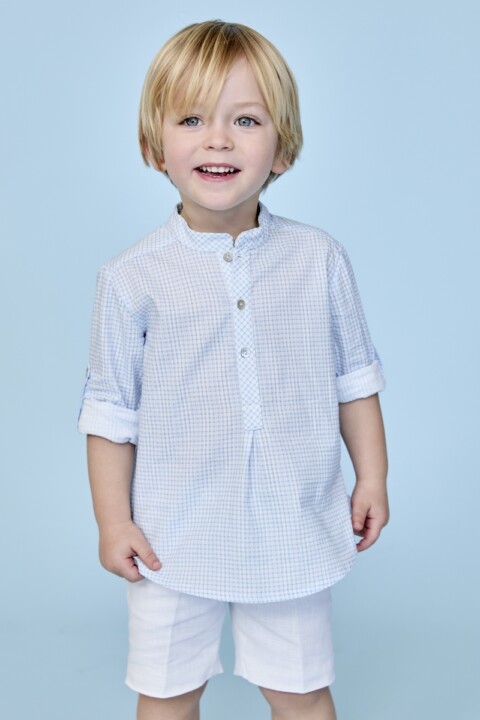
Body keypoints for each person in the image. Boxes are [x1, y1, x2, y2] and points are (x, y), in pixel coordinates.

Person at [78, 19, 389, 720]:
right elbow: (110, 413)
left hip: (292, 525)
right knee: (166, 695)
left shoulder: (319, 259)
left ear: (283, 147)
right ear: (153, 145)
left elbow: (355, 381)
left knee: (302, 694)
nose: (218, 139)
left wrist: (372, 477)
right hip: (170, 535)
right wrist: (113, 522)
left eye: (245, 120)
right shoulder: (130, 278)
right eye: (191, 119)